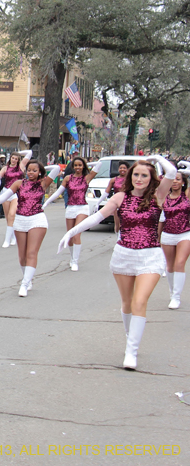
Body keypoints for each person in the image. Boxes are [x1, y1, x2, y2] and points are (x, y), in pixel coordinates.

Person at [57, 156, 175, 369]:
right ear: (130, 176)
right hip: (124, 255)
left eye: (144, 175)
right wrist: (73, 231)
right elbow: (97, 217)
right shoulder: (121, 197)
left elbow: (173, 173)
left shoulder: (158, 195)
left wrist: (156, 158)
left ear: (152, 178)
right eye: (136, 174)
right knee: (128, 303)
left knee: (140, 302)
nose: (139, 179)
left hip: (150, 256)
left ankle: (132, 350)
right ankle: (131, 336)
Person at [0, 160, 60, 296]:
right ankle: (27, 277)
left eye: (34, 170)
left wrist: (42, 167)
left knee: (31, 252)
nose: (31, 173)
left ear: (40, 172)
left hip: (37, 219)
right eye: (29, 170)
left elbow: (56, 168)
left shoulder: (43, 183)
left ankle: (25, 283)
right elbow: (3, 197)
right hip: (20, 219)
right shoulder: (19, 184)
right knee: (22, 255)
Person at [42, 156, 99, 271]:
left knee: (76, 233)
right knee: (70, 236)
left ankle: (75, 261)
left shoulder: (87, 178)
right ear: (72, 167)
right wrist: (46, 203)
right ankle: (72, 257)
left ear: (83, 166)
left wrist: (87, 163)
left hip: (82, 207)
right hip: (70, 208)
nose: (78, 167)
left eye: (80, 165)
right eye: (76, 165)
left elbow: (99, 165)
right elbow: (59, 191)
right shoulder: (68, 178)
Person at [0, 150, 33, 247]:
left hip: (17, 193)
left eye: (16, 159)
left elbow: (30, 152)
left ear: (18, 160)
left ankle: (7, 240)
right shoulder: (5, 168)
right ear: (10, 158)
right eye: (13, 158)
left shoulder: (21, 166)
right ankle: (12, 236)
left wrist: (18, 152)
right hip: (6, 192)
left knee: (12, 214)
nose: (14, 160)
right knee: (8, 217)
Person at [160, 163, 190, 309]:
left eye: (179, 179)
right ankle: (172, 293)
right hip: (168, 234)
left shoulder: (187, 196)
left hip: (185, 233)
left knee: (179, 264)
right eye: (173, 179)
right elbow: (160, 219)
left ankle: (177, 297)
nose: (176, 182)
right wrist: (157, 236)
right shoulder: (163, 197)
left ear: (183, 182)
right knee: (170, 266)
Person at [94, 161, 130, 236]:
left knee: (126, 224)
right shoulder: (114, 180)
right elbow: (106, 192)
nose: (122, 169)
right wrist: (98, 202)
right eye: (121, 168)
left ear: (127, 169)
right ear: (118, 169)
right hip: (117, 204)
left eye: (124, 168)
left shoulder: (131, 180)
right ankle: (118, 239)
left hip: (128, 204)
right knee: (117, 224)